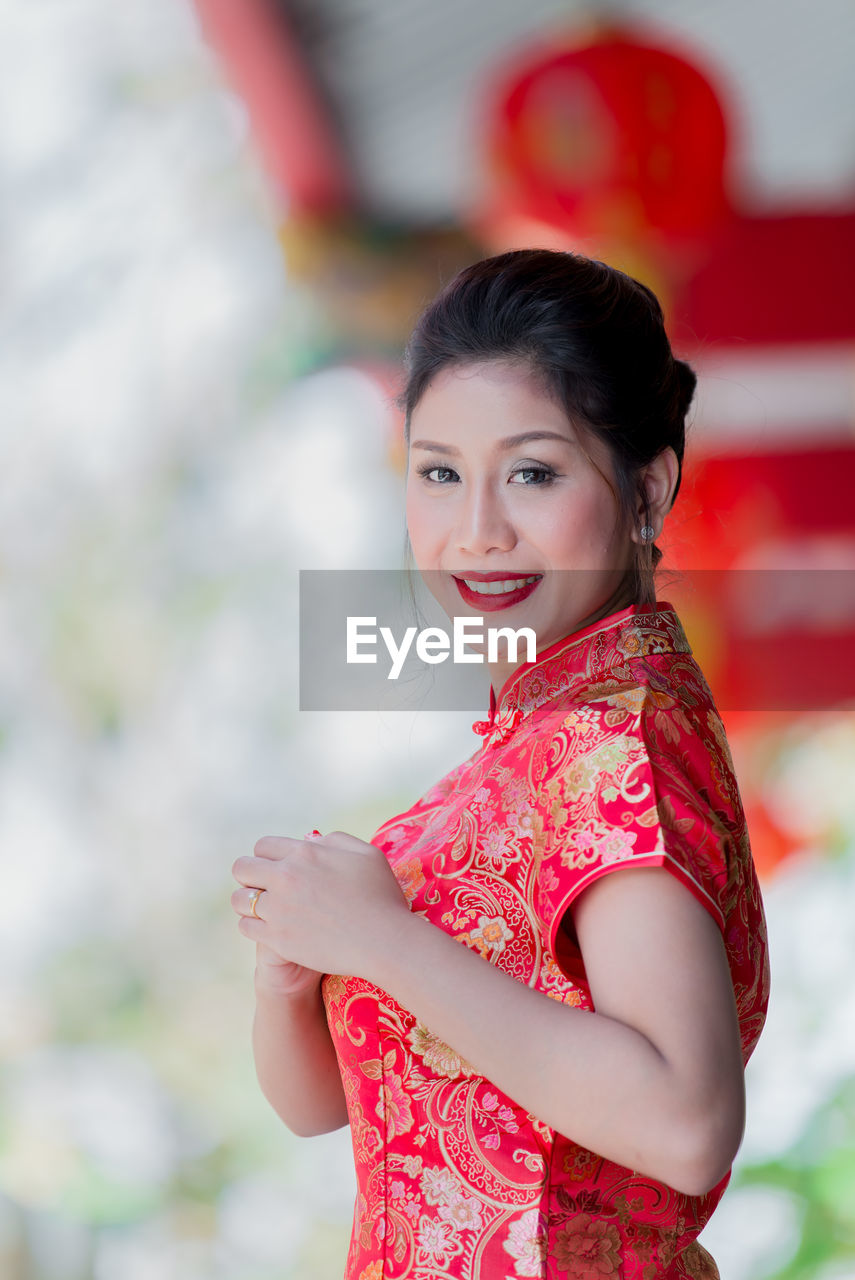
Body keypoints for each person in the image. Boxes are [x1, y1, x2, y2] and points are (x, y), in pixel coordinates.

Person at [231, 248, 770, 1279]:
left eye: (532, 471)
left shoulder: (619, 741)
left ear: (646, 486)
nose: (477, 532)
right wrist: (289, 969)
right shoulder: (525, 747)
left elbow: (686, 1118)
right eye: (439, 472)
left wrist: (381, 937)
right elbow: (319, 1107)